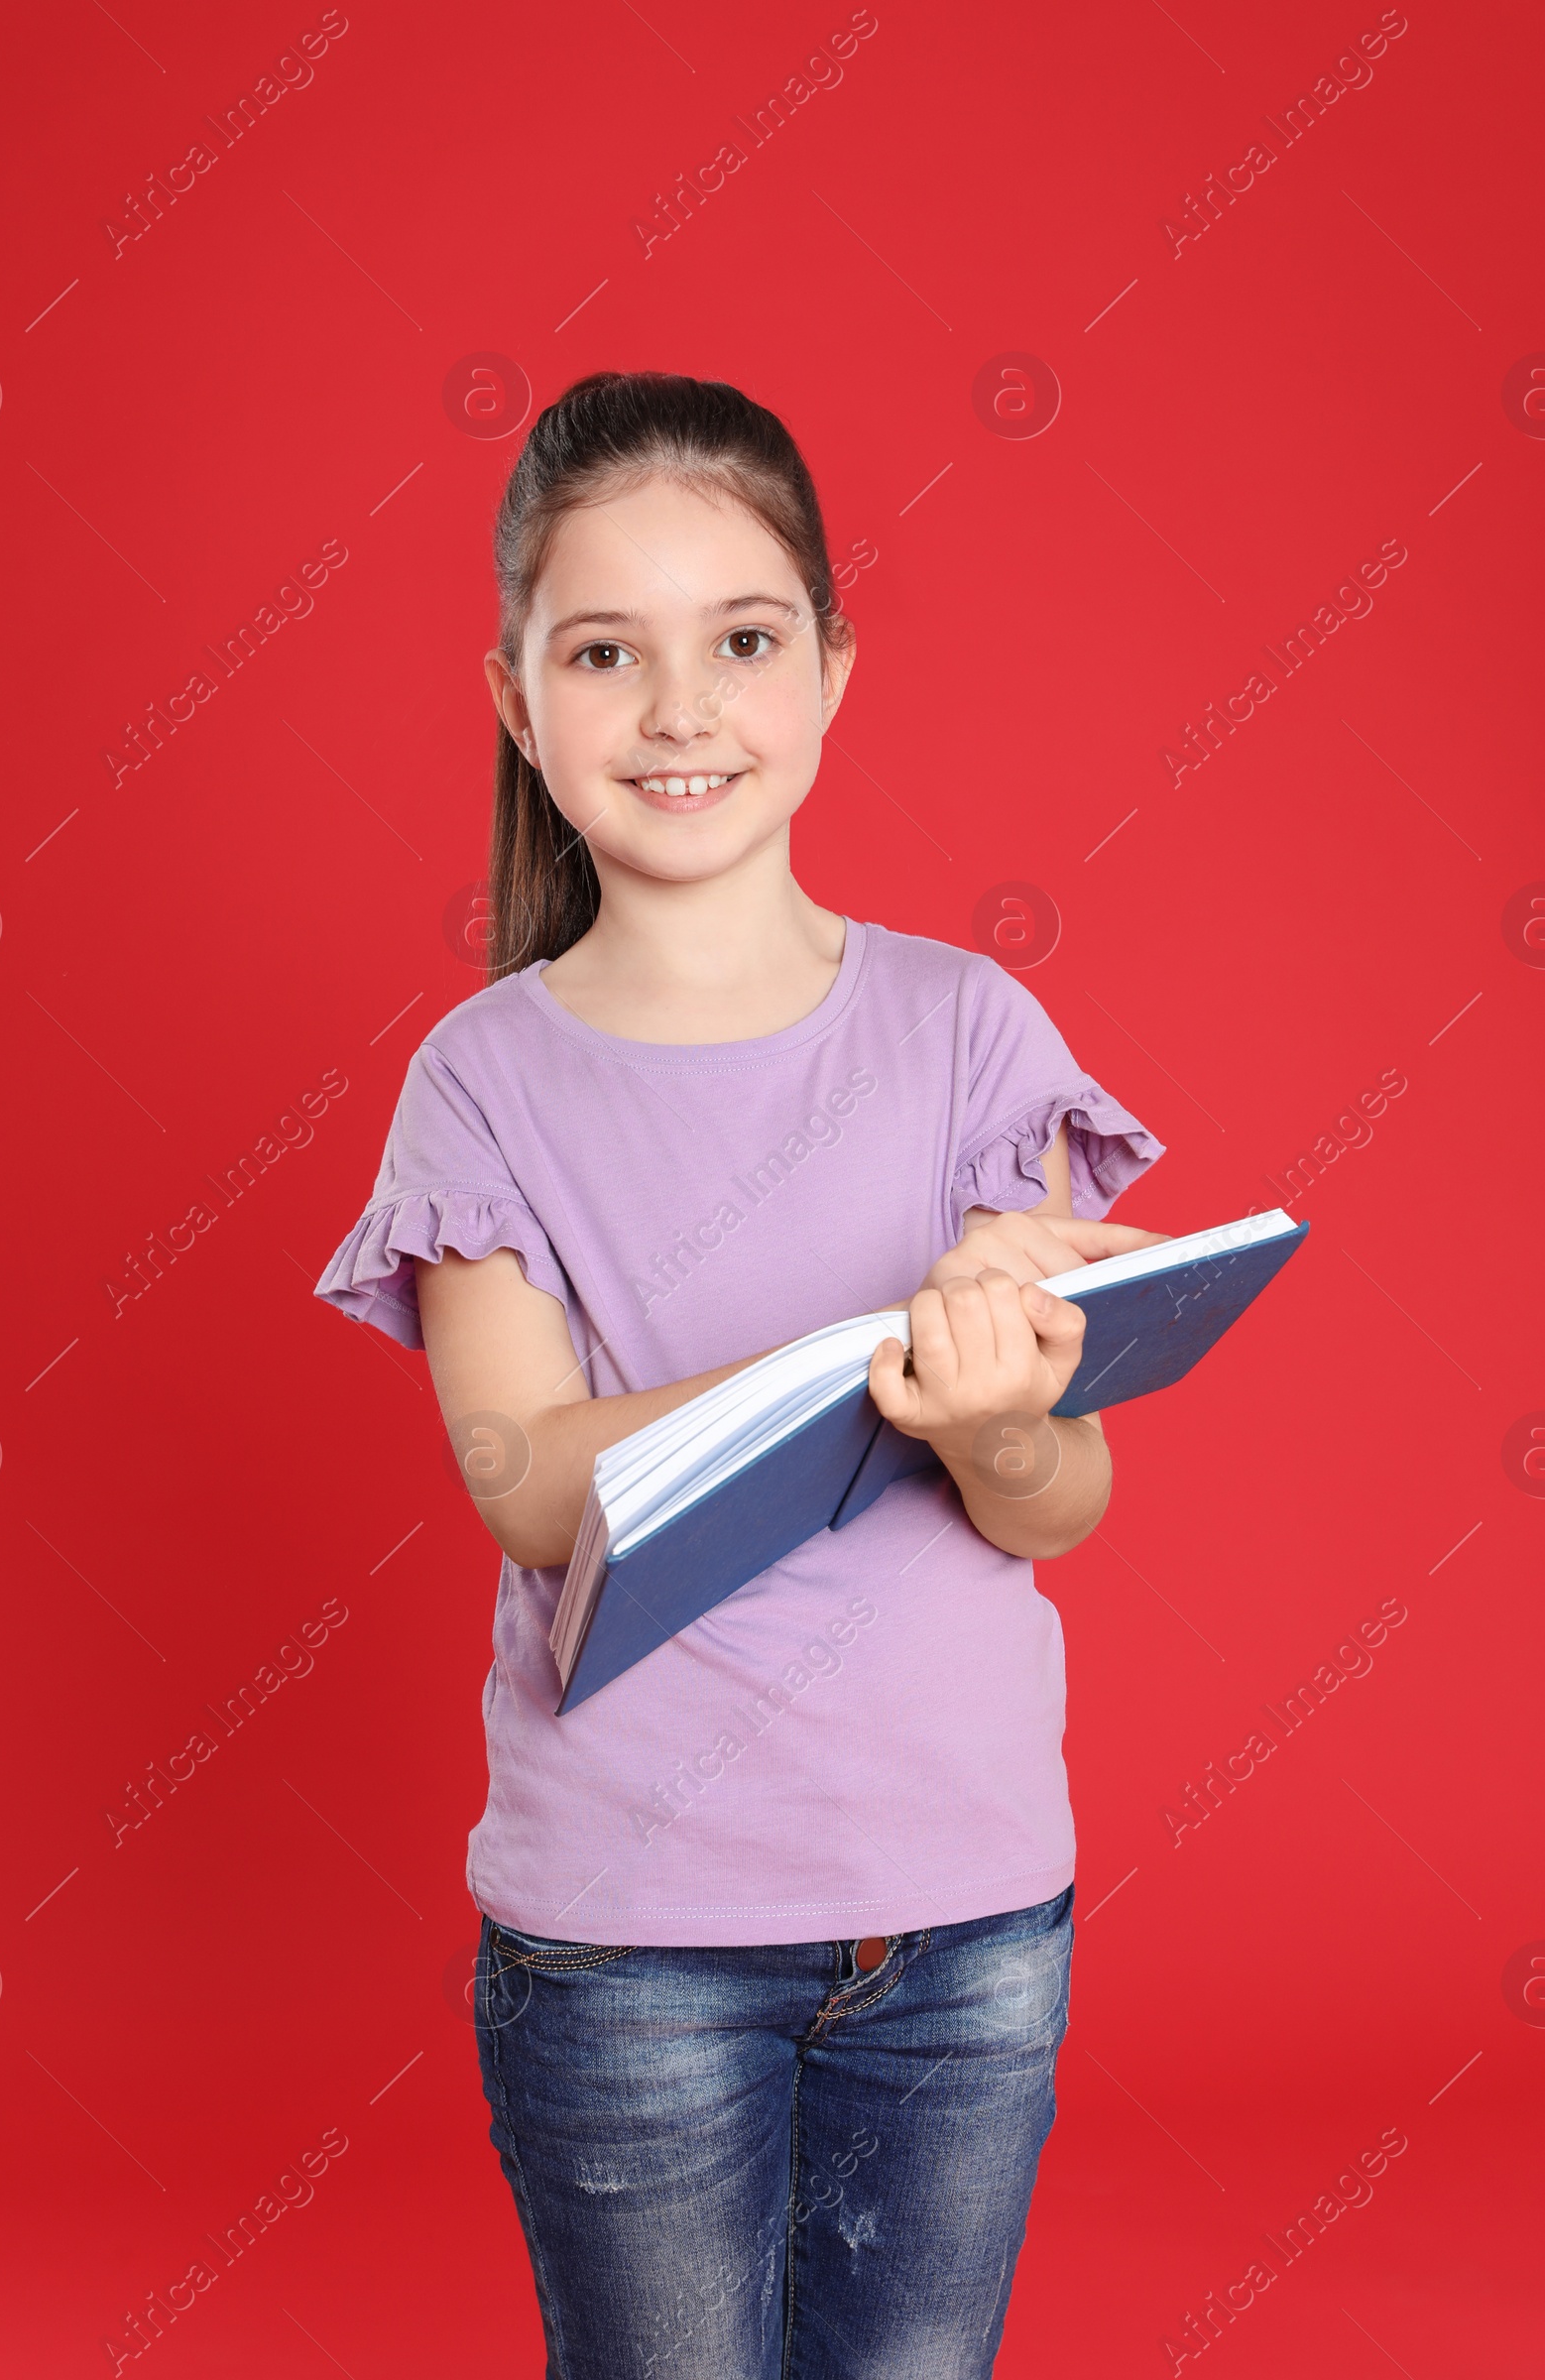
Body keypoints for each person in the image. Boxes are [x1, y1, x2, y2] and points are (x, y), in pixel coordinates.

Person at [314, 370, 1167, 2379]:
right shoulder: (485, 1082)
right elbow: (528, 1480)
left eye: (741, 641)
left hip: (966, 1926)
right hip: (631, 1942)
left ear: (830, 673)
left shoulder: (970, 1030)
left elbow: (1061, 1496)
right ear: (522, 705)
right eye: (605, 652)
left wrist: (996, 1420)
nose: (679, 709)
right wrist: (876, 1348)